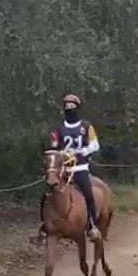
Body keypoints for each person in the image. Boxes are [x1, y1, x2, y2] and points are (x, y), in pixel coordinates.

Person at [40, 94, 101, 241]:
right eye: (67, 106)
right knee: (47, 194)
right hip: (63, 170)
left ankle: (92, 226)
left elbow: (95, 145)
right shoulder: (58, 129)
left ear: (77, 108)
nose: (69, 108)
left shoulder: (86, 126)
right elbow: (54, 147)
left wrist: (83, 151)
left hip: (80, 168)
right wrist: (60, 152)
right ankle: (45, 225)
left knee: (88, 194)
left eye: (72, 106)